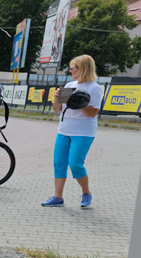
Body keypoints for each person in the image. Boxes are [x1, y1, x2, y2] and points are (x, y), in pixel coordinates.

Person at [41, 55, 104, 208]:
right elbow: (57, 109)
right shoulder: (70, 85)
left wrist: (79, 102)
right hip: (64, 130)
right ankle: (58, 197)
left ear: (82, 69)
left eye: (73, 67)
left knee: (75, 164)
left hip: (83, 132)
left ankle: (86, 193)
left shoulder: (94, 88)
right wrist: (56, 98)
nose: (70, 70)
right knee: (59, 163)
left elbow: (92, 113)